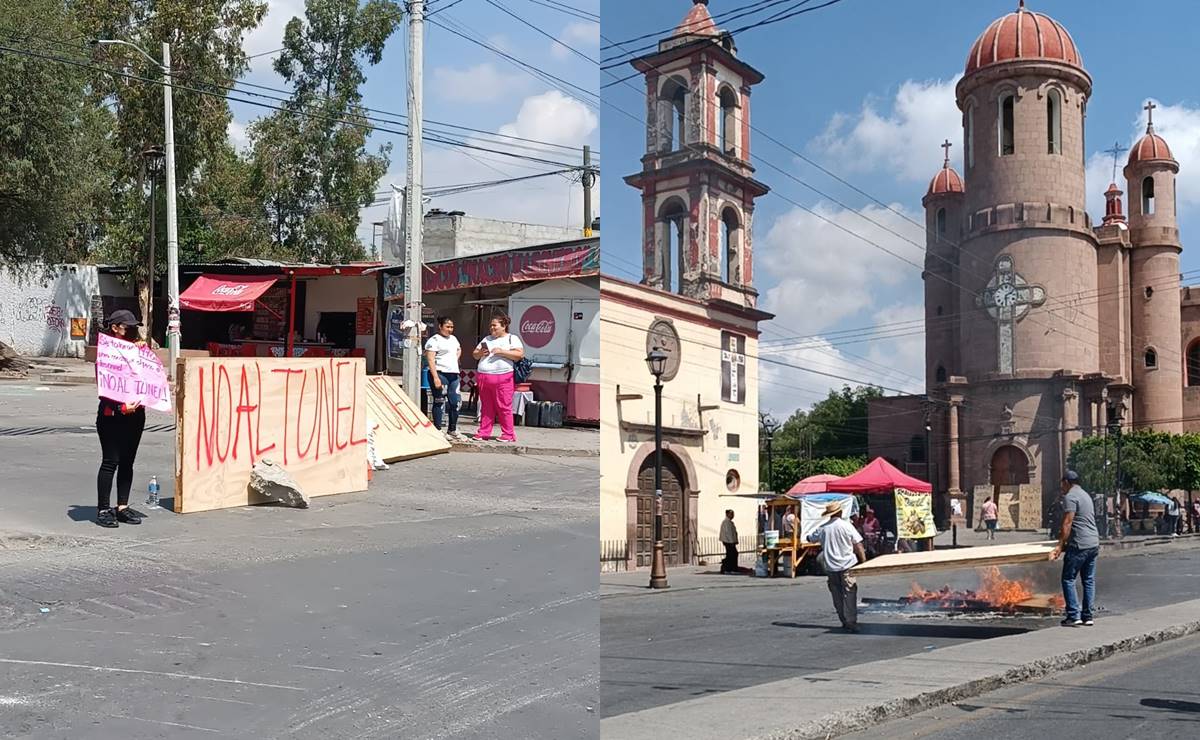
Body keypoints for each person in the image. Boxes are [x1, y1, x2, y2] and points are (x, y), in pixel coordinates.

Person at [95, 309, 148, 529]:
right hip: (112, 415)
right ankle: (104, 509)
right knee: (111, 461)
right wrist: (119, 407)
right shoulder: (106, 352)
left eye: (134, 327)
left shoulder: (138, 350)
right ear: (115, 328)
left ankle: (122, 506)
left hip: (136, 415)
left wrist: (144, 355)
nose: (132, 330)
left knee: (128, 462)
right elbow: (104, 388)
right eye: (128, 327)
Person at [807, 501, 867, 633]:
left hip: (830, 567)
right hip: (847, 565)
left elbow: (810, 538)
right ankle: (851, 621)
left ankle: (844, 620)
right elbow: (858, 545)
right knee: (849, 594)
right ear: (840, 512)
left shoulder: (823, 528)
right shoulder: (846, 526)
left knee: (837, 594)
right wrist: (864, 562)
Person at [1051, 471, 1100, 627]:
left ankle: (1073, 615)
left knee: (1068, 578)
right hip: (1093, 543)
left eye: (1061, 484)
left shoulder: (1070, 496)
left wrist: (1059, 546)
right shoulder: (1085, 495)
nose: (1061, 487)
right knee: (1088, 580)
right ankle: (1088, 616)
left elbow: (1067, 522)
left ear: (1066, 482)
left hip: (1079, 544)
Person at [471, 314, 525, 442]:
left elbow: (519, 354)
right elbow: (475, 354)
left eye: (494, 325)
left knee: (504, 406)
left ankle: (508, 434)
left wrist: (502, 352)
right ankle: (484, 432)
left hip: (503, 377)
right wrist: (480, 353)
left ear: (503, 326)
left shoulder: (512, 338)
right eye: (491, 325)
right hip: (484, 376)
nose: (492, 328)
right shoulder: (487, 339)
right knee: (486, 406)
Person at [424, 316, 464, 441]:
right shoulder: (434, 340)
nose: (450, 329)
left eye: (452, 327)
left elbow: (458, 349)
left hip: (453, 374)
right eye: (447, 327)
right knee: (439, 401)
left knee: (455, 402)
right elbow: (430, 359)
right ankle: (438, 429)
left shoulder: (453, 339)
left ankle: (452, 429)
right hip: (440, 373)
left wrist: (454, 359)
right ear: (440, 326)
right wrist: (436, 377)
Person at [719, 510, 739, 574]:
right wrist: (732, 542)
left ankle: (729, 568)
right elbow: (729, 533)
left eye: (733, 514)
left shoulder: (729, 522)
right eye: (731, 514)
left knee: (731, 555)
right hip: (728, 542)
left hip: (730, 541)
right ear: (727, 514)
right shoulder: (726, 522)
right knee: (732, 555)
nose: (732, 515)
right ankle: (731, 568)